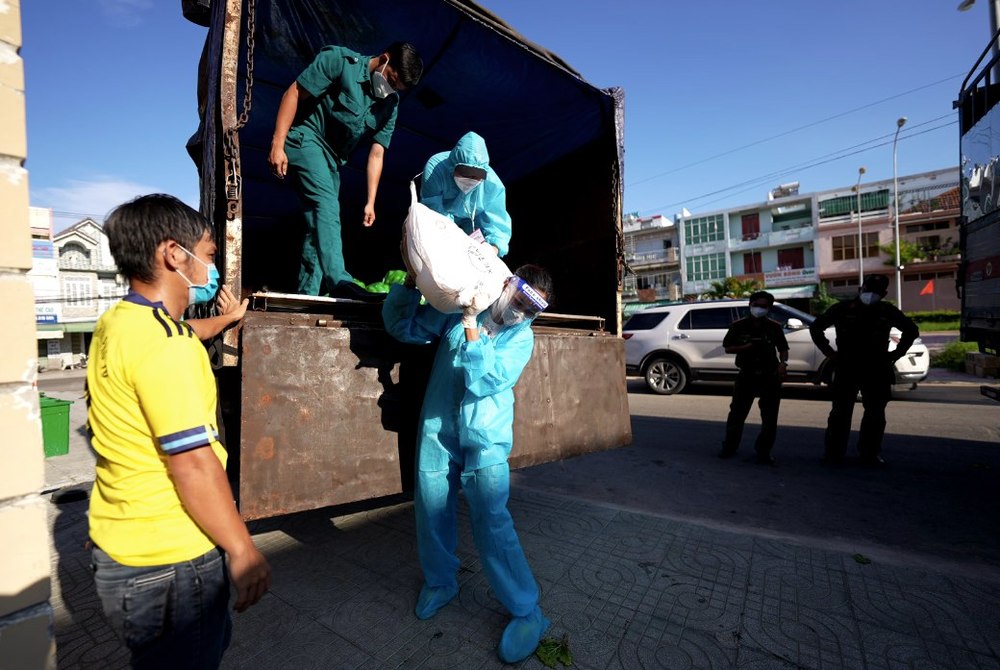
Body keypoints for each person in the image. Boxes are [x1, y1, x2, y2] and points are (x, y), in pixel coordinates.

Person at [87, 194, 271, 668]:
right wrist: (242, 549)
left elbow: (186, 334)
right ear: (173, 254)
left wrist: (228, 319)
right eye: (208, 255)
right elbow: (192, 464)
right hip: (171, 562)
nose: (210, 268)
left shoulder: (118, 323)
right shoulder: (167, 345)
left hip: (120, 549)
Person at [382, 263, 553, 664]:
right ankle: (441, 582)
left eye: (532, 310)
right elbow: (403, 327)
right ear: (508, 284)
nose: (521, 313)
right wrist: (410, 282)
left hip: (485, 438)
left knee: (491, 520)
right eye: (520, 301)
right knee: (431, 508)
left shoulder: (520, 338)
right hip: (439, 429)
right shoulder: (462, 308)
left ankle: (528, 610)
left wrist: (473, 326)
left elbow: (485, 379)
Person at [268, 41, 424, 299]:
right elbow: (294, 92)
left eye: (397, 89)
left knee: (317, 228)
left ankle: (307, 295)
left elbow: (377, 153)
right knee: (327, 207)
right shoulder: (341, 62)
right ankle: (339, 280)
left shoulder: (390, 105)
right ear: (384, 59)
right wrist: (278, 143)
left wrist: (371, 201)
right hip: (306, 137)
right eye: (392, 81)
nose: (391, 90)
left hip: (333, 159)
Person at [809, 274, 919, 466]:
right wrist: (830, 353)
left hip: (876, 369)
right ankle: (834, 454)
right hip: (847, 367)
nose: (870, 295)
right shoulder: (842, 309)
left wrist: (895, 355)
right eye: (868, 290)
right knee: (840, 413)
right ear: (861, 289)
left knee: (875, 414)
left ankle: (869, 454)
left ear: (883, 294)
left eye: (876, 292)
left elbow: (911, 331)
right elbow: (816, 328)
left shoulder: (887, 311)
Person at [718, 291, 789, 464]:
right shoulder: (738, 326)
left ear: (769, 308)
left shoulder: (774, 327)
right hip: (747, 375)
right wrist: (746, 347)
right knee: (737, 414)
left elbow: (783, 349)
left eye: (764, 306)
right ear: (750, 305)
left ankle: (764, 451)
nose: (759, 309)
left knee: (770, 417)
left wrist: (783, 364)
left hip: (769, 376)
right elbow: (728, 348)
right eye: (756, 305)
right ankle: (729, 447)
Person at [420, 131, 512, 256]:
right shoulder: (435, 170)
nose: (470, 179)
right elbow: (434, 211)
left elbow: (498, 224)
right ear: (453, 166)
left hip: (473, 222)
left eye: (476, 176)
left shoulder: (493, 185)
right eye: (465, 172)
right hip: (440, 218)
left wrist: (492, 250)